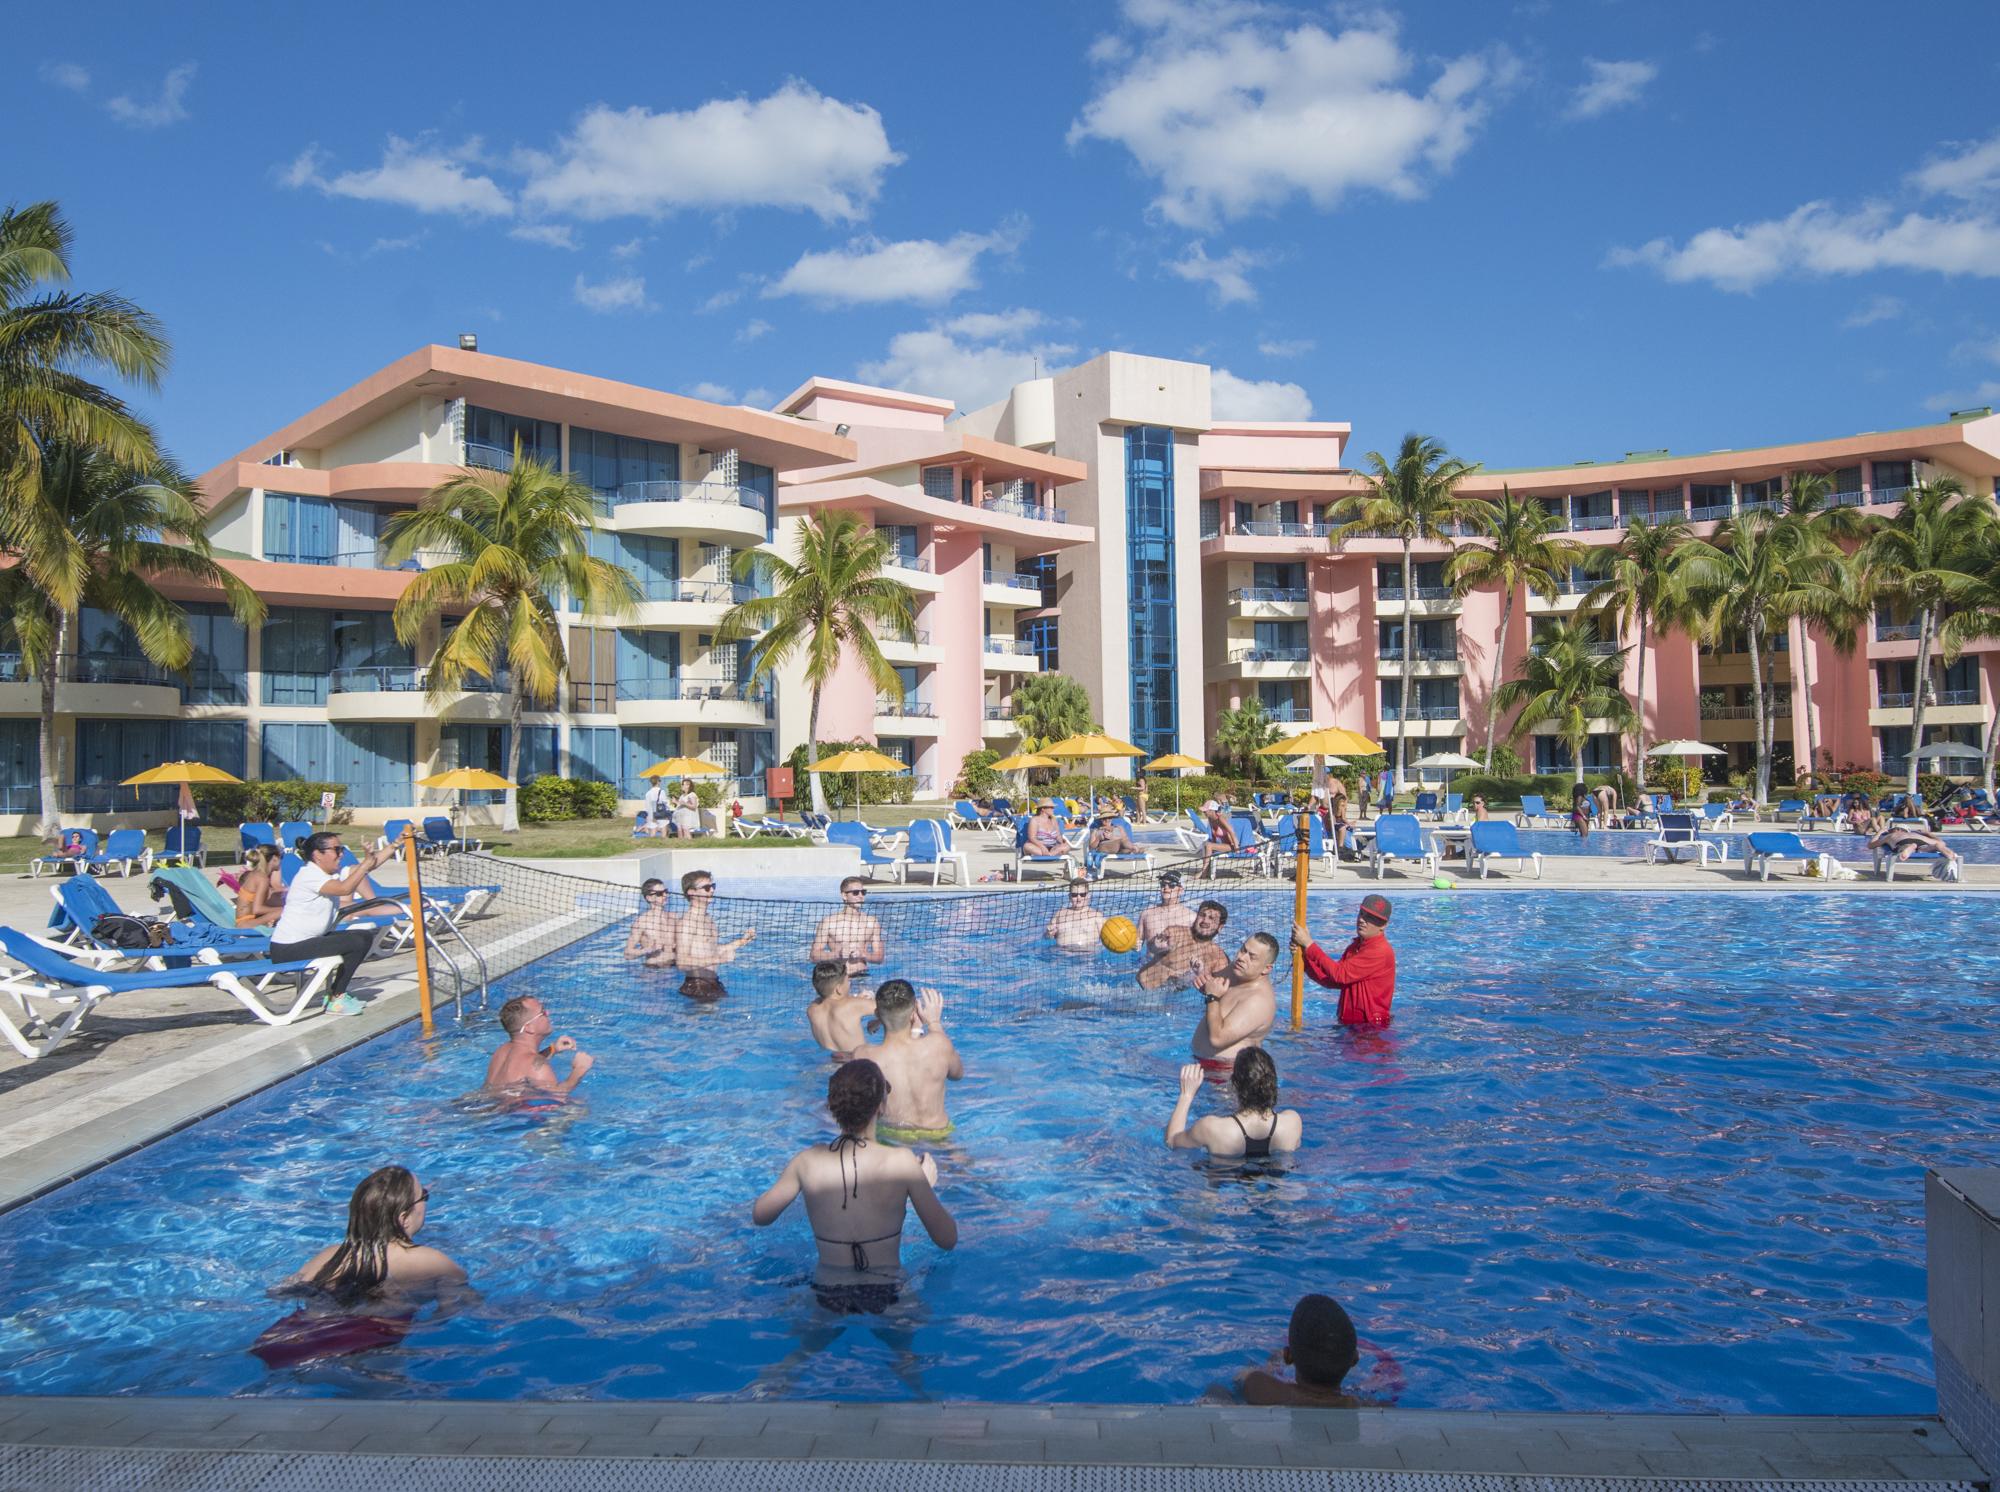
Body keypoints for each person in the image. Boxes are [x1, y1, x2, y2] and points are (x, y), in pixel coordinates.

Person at [751, 1058, 957, 1314]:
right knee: (906, 1354)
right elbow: (947, 1239)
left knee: (800, 1353)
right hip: (888, 1290)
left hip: (826, 1290)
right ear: (881, 1106)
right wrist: (922, 1184)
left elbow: (761, 1216)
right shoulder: (902, 1162)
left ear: (831, 1106)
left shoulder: (807, 1162)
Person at [278, 1165, 467, 1301]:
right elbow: (459, 1307)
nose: (426, 1201)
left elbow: (279, 1292)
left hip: (299, 1330)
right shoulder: (432, 1261)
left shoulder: (330, 1254)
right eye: (423, 1196)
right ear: (404, 1218)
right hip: (369, 1338)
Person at [270, 831, 392, 1018]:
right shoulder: (310, 875)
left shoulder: (325, 874)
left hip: (309, 940)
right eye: (337, 849)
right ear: (318, 855)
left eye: (341, 849)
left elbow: (369, 866)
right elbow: (345, 889)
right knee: (357, 942)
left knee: (362, 936)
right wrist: (364, 865)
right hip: (288, 948)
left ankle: (336, 995)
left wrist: (397, 843)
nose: (341, 853)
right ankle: (336, 998)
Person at [1237, 1295, 1385, 1407]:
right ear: (1355, 1359)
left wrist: (1271, 1364)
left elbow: (1242, 1378)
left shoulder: (1259, 1385)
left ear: (1288, 1357)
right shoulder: (1368, 1406)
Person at [865, 980, 962, 1143]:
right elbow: (957, 1074)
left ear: (878, 1014)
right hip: (937, 1135)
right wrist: (934, 1024)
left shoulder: (864, 1056)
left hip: (891, 1136)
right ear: (913, 1013)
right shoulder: (939, 1045)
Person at [1165, 1047, 1302, 1158]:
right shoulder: (1292, 1122)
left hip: (1227, 1188)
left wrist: (1186, 1095)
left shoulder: (1212, 1129)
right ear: (1273, 1083)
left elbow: (1171, 1141)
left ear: (1235, 1085)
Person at [1293, 893, 1397, 1027]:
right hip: (1350, 1025)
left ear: (1383, 925)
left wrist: (1309, 944)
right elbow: (1331, 980)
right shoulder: (1355, 947)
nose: (1362, 920)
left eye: (1371, 918)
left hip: (1371, 1029)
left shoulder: (1380, 951)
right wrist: (1305, 960)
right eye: (1362, 914)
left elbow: (1339, 975)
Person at [1189, 931, 1278, 1081]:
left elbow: (1218, 1039)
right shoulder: (1236, 969)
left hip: (1227, 1075)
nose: (1242, 958)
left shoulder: (1258, 1001)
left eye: (1252, 956)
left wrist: (1212, 997)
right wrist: (1203, 978)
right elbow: (1214, 985)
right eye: (1243, 950)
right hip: (1201, 1062)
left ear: (1266, 969)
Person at [482, 995, 594, 1094]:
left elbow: (525, 1065)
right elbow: (558, 1096)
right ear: (529, 1027)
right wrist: (580, 1068)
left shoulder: (502, 1050)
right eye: (543, 1012)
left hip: (483, 1103)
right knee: (578, 1110)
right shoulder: (540, 1069)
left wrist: (553, 1048)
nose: (548, 1013)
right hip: (505, 1113)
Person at [671, 869, 754, 998]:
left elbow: (711, 950)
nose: (712, 891)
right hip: (697, 986)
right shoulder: (687, 923)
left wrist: (741, 941)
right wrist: (719, 959)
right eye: (706, 888)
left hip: (713, 983)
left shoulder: (709, 920)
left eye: (712, 886)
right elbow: (682, 962)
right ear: (691, 892)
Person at [1137, 897, 1230, 991]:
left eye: (1211, 918)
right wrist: (1157, 945)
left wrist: (1201, 973)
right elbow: (1153, 948)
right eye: (1202, 915)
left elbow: (1219, 991)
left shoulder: (1218, 958)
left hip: (1177, 1002)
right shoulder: (1176, 933)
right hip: (1140, 991)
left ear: (1220, 927)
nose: (1205, 921)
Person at [810, 876, 886, 976]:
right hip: (838, 977)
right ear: (844, 896)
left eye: (863, 892)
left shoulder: (871, 922)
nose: (860, 896)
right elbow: (813, 956)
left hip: (862, 975)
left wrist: (863, 954)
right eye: (855, 892)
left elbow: (880, 957)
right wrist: (837, 954)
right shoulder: (829, 923)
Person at [807, 960, 878, 1061]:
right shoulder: (854, 1005)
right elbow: (893, 1009)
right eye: (848, 980)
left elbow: (829, 1002)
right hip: (858, 1064)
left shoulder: (811, 1010)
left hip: (830, 1064)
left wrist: (856, 999)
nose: (850, 983)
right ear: (838, 989)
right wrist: (876, 1022)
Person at [1870, 820, 1963, 876]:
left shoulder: (1892, 835)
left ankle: (1909, 848)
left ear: (1898, 829)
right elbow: (1942, 841)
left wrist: (1879, 832)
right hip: (1924, 842)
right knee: (1938, 844)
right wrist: (1927, 833)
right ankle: (1939, 849)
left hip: (1904, 842)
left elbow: (1871, 845)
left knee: (1904, 848)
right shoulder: (1915, 834)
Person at [1137, 871, 1195, 953]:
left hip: (1177, 965)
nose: (1166, 887)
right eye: (1163, 884)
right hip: (1150, 964)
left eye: (1172, 885)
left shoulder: (1191, 917)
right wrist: (1133, 944)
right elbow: (1137, 943)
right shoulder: (1147, 913)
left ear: (1181, 890)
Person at [622, 877, 678, 962]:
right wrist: (647, 950)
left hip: (674, 967)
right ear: (649, 898)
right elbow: (627, 954)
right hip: (654, 970)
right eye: (659, 893)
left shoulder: (674, 917)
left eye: (665, 891)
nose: (665, 895)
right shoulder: (641, 922)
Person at [1046, 877, 1107, 951]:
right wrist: (1048, 934)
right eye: (1074, 895)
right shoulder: (1059, 914)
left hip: (1087, 956)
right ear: (1069, 896)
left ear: (1088, 896)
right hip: (1062, 955)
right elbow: (1047, 938)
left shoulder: (1096, 916)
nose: (1079, 898)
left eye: (1082, 894)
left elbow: (1107, 940)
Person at [234, 844, 286, 928]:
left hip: (246, 920)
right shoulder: (262, 879)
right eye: (280, 859)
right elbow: (257, 909)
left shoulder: (255, 874)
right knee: (285, 911)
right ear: (274, 859)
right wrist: (285, 909)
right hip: (245, 924)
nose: (281, 863)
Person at [1197, 801, 1241, 877]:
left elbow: (1232, 831)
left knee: (1208, 845)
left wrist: (1237, 848)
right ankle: (1206, 870)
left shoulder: (1220, 818)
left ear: (1211, 810)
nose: (1204, 813)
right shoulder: (1211, 819)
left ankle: (1204, 872)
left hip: (1232, 846)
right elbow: (1214, 836)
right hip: (1224, 845)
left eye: (1205, 811)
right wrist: (1213, 846)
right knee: (1206, 844)